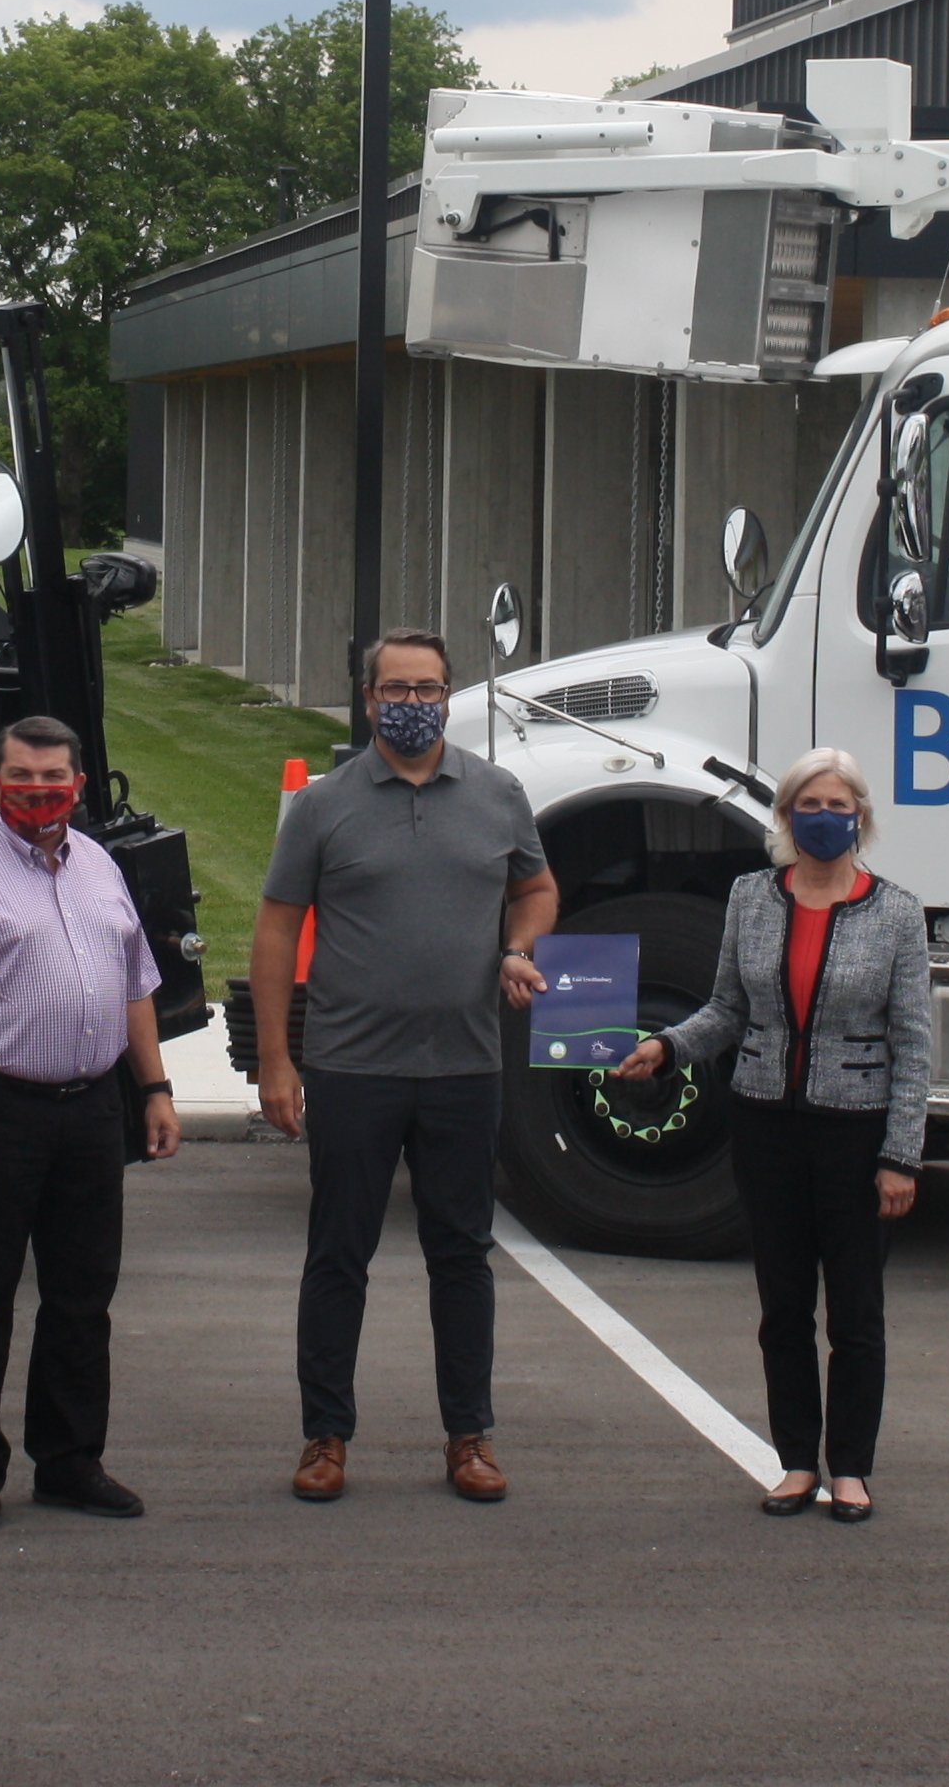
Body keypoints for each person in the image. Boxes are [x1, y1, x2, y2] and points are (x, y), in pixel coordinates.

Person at [250, 628, 556, 1504]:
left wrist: (518, 944)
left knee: (461, 1256)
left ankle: (469, 1437)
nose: (412, 703)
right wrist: (279, 1060)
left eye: (427, 688)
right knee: (338, 1254)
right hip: (352, 1069)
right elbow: (275, 929)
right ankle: (325, 1437)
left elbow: (535, 887)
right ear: (370, 696)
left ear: (450, 696)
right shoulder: (324, 806)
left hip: (464, 1068)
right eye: (396, 689)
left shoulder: (497, 795)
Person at [618, 744, 930, 1523]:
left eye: (840, 805)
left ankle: (851, 1468)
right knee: (783, 1308)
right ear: (786, 817)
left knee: (855, 1313)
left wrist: (901, 1156)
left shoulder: (896, 911)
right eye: (810, 806)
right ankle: (796, 1461)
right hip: (767, 1127)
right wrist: (666, 1047)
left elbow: (915, 1043)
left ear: (862, 816)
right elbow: (727, 1008)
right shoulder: (752, 897)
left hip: (856, 1135)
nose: (826, 819)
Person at [0, 714, 183, 1530]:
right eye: (22, 781)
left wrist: (154, 1089)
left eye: (54, 784)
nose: (39, 796)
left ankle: (69, 1461)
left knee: (83, 1298)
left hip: (91, 1110)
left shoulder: (99, 866)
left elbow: (135, 985)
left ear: (78, 788)